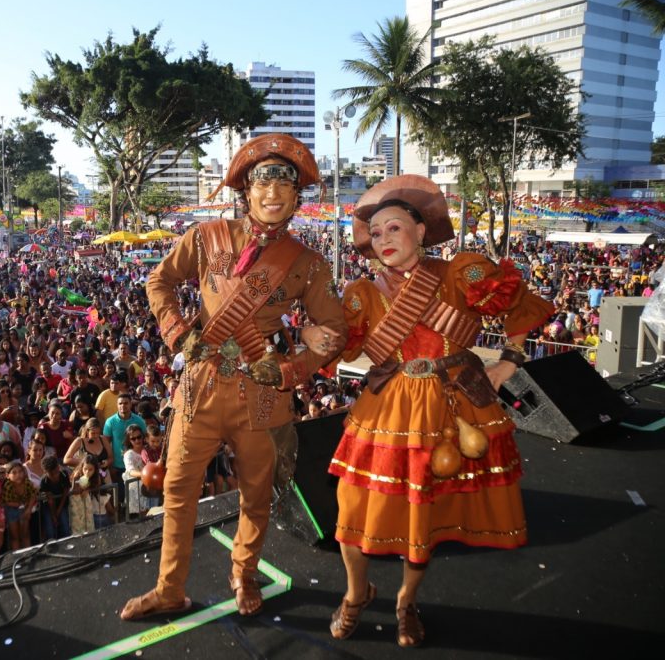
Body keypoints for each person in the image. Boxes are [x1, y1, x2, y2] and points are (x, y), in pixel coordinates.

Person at [121, 134, 347, 620]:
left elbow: (334, 329)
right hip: (200, 386)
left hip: (262, 395)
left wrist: (292, 367)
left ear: (295, 197)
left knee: (256, 494)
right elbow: (158, 279)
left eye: (284, 186)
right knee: (178, 491)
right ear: (245, 190)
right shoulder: (205, 237)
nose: (272, 194)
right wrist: (177, 330)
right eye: (263, 183)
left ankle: (244, 574)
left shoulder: (308, 264)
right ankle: (168, 588)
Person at [325, 175, 553, 648]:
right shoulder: (362, 293)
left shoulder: (460, 271)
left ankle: (406, 600)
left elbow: (519, 302)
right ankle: (355, 592)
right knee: (352, 506)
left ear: (422, 231)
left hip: (452, 403)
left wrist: (510, 360)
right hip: (387, 406)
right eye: (377, 232)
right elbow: (336, 346)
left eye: (394, 228)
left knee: (421, 517)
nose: (384, 239)